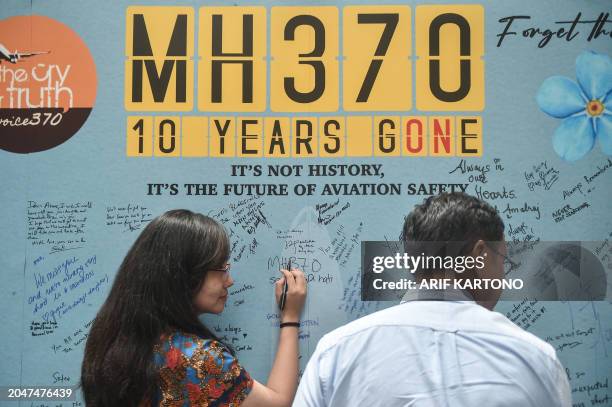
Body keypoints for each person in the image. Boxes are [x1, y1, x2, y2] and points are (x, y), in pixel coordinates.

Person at [293, 192, 571, 407]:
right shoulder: (534, 359)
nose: (504, 273)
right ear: (481, 254)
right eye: (504, 259)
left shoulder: (336, 353)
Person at [81, 209, 307, 406]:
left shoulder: (109, 342)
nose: (229, 281)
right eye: (221, 268)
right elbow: (277, 403)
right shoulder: (198, 359)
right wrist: (290, 316)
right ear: (185, 274)